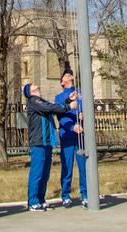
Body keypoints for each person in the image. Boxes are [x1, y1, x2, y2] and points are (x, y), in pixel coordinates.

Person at [23, 81, 69, 211]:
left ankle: (41, 199)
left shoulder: (41, 101)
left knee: (45, 173)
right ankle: (32, 201)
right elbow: (50, 108)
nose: (35, 84)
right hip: (38, 141)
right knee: (37, 172)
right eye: (32, 84)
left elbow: (52, 107)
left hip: (46, 141)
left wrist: (67, 101)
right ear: (29, 91)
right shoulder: (33, 101)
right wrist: (69, 106)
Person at [56, 68, 89, 208]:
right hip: (68, 135)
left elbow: (86, 109)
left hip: (81, 135)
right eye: (65, 75)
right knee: (67, 166)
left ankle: (85, 194)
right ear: (62, 81)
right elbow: (60, 115)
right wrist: (71, 126)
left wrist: (84, 116)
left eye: (70, 74)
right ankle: (65, 194)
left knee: (83, 166)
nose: (69, 76)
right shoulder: (59, 97)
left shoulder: (81, 94)